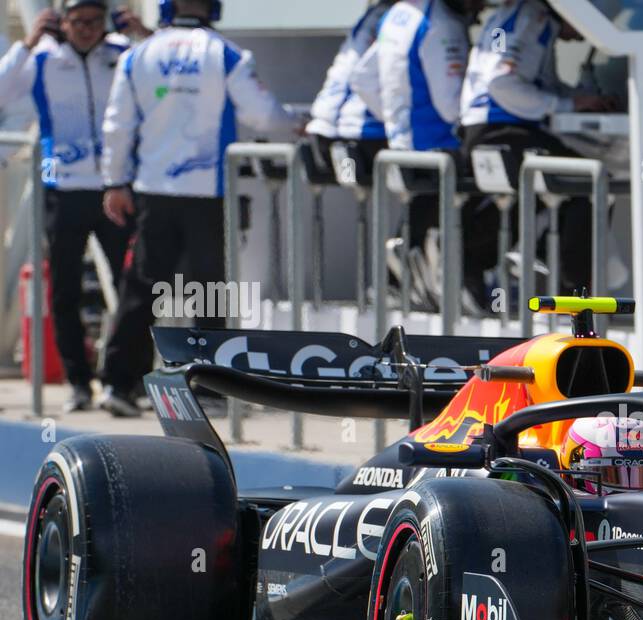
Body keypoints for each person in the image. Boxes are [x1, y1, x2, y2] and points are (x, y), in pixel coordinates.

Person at [98, 0, 301, 417]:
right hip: (209, 191)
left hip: (154, 189)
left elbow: (117, 125)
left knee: (144, 288)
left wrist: (114, 181)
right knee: (208, 290)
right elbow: (263, 115)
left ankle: (119, 384)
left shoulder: (139, 55)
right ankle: (210, 388)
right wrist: (295, 122)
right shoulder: (224, 53)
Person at [0, 1, 148, 412]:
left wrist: (142, 34)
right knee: (64, 289)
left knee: (134, 284)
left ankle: (123, 379)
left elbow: (161, 80)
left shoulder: (121, 53)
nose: (86, 30)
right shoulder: (43, 58)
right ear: (61, 23)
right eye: (78, 22)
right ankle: (79, 383)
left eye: (94, 22)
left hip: (113, 187)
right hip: (61, 186)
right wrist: (27, 43)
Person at [458, 0, 615, 297]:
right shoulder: (533, 18)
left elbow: (543, 87)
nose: (589, 33)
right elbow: (503, 83)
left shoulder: (523, 14)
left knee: (546, 191)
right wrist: (570, 104)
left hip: (484, 130)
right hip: (502, 130)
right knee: (593, 183)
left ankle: (513, 260)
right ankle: (571, 288)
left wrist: (581, 100)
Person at [350, 0, 485, 307]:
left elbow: (362, 79)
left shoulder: (397, 14)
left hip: (402, 147)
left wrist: (396, 119)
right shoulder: (440, 24)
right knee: (506, 188)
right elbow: (451, 106)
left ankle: (401, 273)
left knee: (426, 209)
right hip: (439, 149)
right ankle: (451, 277)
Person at [305, 0, 396, 182]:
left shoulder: (371, 16)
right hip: (358, 144)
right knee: (435, 169)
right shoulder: (397, 19)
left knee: (354, 185)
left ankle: (363, 204)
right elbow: (362, 80)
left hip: (327, 139)